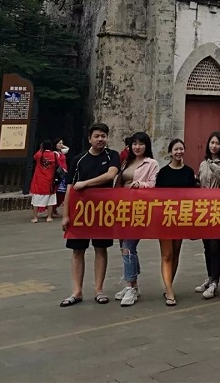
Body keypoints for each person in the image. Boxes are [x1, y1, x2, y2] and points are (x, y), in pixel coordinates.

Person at [60, 123, 121, 307]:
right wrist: (65, 215)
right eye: (97, 136)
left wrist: (85, 183)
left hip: (103, 212)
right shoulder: (78, 160)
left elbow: (110, 175)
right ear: (89, 138)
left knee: (100, 249)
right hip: (80, 213)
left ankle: (99, 290)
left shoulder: (112, 156)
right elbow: (70, 188)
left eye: (103, 136)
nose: (100, 139)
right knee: (77, 250)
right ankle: (77, 291)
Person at [115, 132, 159, 307]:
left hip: (139, 209)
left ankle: (130, 286)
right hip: (123, 208)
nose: (137, 147)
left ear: (147, 146)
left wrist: (141, 185)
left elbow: (154, 184)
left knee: (128, 246)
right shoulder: (126, 162)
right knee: (124, 247)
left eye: (141, 143)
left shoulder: (151, 163)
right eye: (134, 143)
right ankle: (134, 285)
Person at [156, 138, 198, 306]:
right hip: (166, 218)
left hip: (181, 218)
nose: (179, 152)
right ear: (170, 152)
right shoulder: (163, 173)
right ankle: (169, 291)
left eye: (181, 149)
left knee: (176, 253)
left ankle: (169, 285)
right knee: (167, 254)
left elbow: (193, 196)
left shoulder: (188, 172)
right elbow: (156, 197)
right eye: (176, 149)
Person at [196, 131, 220, 299]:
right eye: (212, 143)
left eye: (217, 143)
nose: (214, 146)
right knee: (206, 246)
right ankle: (210, 277)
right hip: (204, 208)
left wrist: (214, 167)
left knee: (214, 245)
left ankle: (215, 282)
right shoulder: (203, 164)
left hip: (217, 208)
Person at [29, 140, 58, 223]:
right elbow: (58, 164)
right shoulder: (54, 155)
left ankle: (35, 217)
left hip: (39, 180)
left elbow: (35, 157)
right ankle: (49, 217)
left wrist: (41, 149)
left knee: (36, 200)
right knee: (50, 200)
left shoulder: (39, 154)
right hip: (50, 180)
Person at [52, 138, 69, 216]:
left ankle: (55, 207)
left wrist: (62, 145)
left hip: (63, 174)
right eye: (59, 143)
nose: (61, 145)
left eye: (62, 143)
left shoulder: (61, 152)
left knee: (62, 192)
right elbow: (57, 164)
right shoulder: (55, 153)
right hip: (59, 174)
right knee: (58, 192)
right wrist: (62, 169)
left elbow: (67, 149)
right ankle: (53, 208)